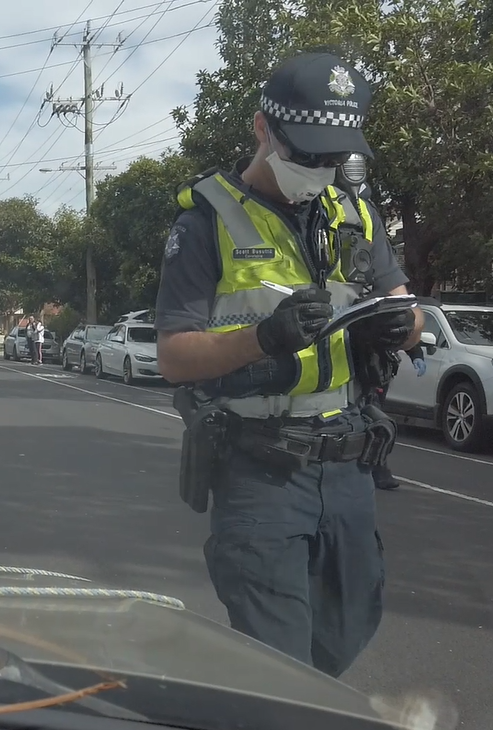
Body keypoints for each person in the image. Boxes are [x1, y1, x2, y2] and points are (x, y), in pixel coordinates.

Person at [154, 52, 422, 678]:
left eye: (332, 158)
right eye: (306, 154)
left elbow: (410, 316)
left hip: (349, 470)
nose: (319, 170)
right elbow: (173, 356)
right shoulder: (204, 224)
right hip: (262, 470)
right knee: (282, 665)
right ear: (262, 129)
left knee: (349, 629)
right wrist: (263, 338)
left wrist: (399, 325)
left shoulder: (356, 216)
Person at [370, 343, 426, 490]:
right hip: (360, 372)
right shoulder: (365, 321)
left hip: (380, 374)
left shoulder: (390, 322)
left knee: (374, 421)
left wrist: (416, 355)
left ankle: (375, 468)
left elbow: (405, 335)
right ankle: (379, 471)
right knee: (376, 423)